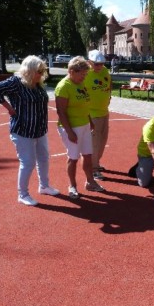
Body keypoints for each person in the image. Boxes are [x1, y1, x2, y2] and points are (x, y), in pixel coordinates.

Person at [0, 55, 59, 206]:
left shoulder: (37, 84)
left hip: (39, 129)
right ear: (29, 70)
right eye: (38, 71)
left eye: (42, 70)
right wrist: (9, 108)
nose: (41, 74)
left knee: (44, 158)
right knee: (28, 162)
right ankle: (23, 194)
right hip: (22, 129)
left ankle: (44, 186)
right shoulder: (16, 82)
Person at [55, 56, 105, 199]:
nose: (84, 77)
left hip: (84, 125)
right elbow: (61, 112)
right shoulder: (64, 86)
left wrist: (90, 120)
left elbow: (84, 103)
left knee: (88, 155)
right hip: (71, 127)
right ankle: (72, 186)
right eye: (82, 74)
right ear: (72, 71)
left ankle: (90, 182)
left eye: (85, 74)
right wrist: (70, 132)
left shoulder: (80, 83)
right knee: (73, 158)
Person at [86, 50, 112, 181]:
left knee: (103, 141)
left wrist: (109, 95)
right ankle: (93, 169)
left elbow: (109, 83)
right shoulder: (85, 73)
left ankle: (96, 163)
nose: (99, 66)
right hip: (92, 114)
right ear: (89, 62)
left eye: (101, 63)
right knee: (94, 143)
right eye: (96, 64)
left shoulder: (105, 71)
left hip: (104, 112)